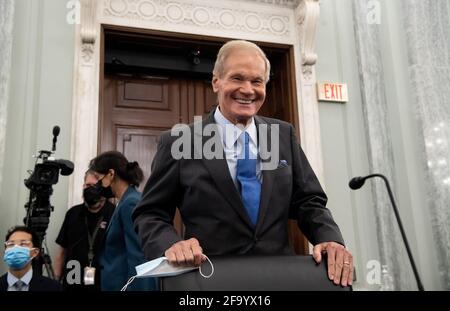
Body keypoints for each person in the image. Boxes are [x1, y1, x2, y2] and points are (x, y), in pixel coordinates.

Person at [133, 40, 354, 287]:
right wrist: (171, 244)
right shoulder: (180, 141)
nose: (248, 90)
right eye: (237, 78)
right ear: (216, 81)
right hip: (211, 280)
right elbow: (150, 213)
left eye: (257, 81)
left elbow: (308, 201)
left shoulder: (281, 134)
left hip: (280, 279)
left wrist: (330, 238)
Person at [88, 151, 157, 291]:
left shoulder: (130, 203)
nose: (96, 183)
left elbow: (138, 257)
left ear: (111, 174)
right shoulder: (124, 202)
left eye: (98, 177)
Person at [53, 170, 115, 291]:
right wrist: (55, 281)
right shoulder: (72, 213)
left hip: (103, 283)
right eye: (88, 185)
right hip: (73, 282)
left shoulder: (114, 214)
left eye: (95, 186)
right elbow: (61, 251)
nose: (90, 189)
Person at [1, 226, 62, 291]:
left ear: (35, 252)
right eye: (11, 244)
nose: (16, 248)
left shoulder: (53, 288)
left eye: (23, 244)